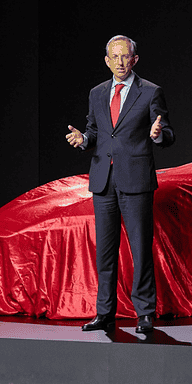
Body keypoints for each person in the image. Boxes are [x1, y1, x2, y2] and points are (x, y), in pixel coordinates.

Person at [66, 35, 175, 333]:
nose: (120, 62)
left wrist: (157, 135)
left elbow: (167, 133)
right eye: (114, 57)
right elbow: (94, 132)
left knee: (140, 250)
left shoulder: (150, 92)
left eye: (125, 56)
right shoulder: (97, 93)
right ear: (107, 61)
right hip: (103, 181)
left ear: (134, 59)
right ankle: (104, 313)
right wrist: (83, 139)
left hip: (136, 181)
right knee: (105, 251)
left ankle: (145, 313)